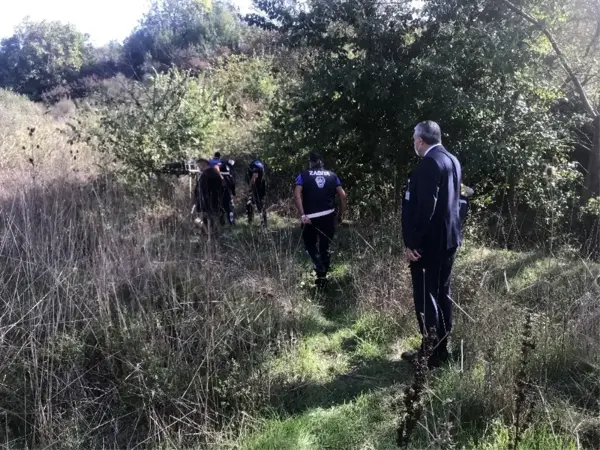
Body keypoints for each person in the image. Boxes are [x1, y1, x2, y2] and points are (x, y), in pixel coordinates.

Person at [401, 120, 462, 369]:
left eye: (414, 138)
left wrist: (413, 243)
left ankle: (430, 355)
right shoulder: (452, 159)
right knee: (442, 294)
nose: (414, 142)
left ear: (420, 140)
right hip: (449, 240)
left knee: (426, 297)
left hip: (429, 244)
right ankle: (442, 349)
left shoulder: (429, 164)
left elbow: (426, 207)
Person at [294, 152, 347, 288]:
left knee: (309, 245)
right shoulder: (332, 176)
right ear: (321, 162)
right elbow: (343, 196)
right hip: (328, 215)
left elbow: (297, 195)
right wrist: (340, 215)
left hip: (310, 217)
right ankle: (322, 280)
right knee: (325, 246)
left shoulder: (303, 176)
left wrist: (302, 214)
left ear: (310, 162)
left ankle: (318, 265)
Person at [194, 158, 225, 233]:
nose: (198, 168)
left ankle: (209, 236)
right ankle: (213, 234)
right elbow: (222, 186)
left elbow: (202, 190)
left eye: (198, 166)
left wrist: (199, 202)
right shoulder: (216, 172)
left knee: (204, 220)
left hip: (207, 202)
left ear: (202, 165)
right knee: (213, 219)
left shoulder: (206, 175)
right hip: (216, 201)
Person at [246, 156, 267, 225]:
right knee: (261, 203)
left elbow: (255, 175)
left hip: (256, 187)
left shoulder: (255, 164)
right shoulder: (259, 163)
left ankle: (251, 220)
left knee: (250, 203)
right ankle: (263, 221)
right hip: (262, 186)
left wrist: (249, 187)